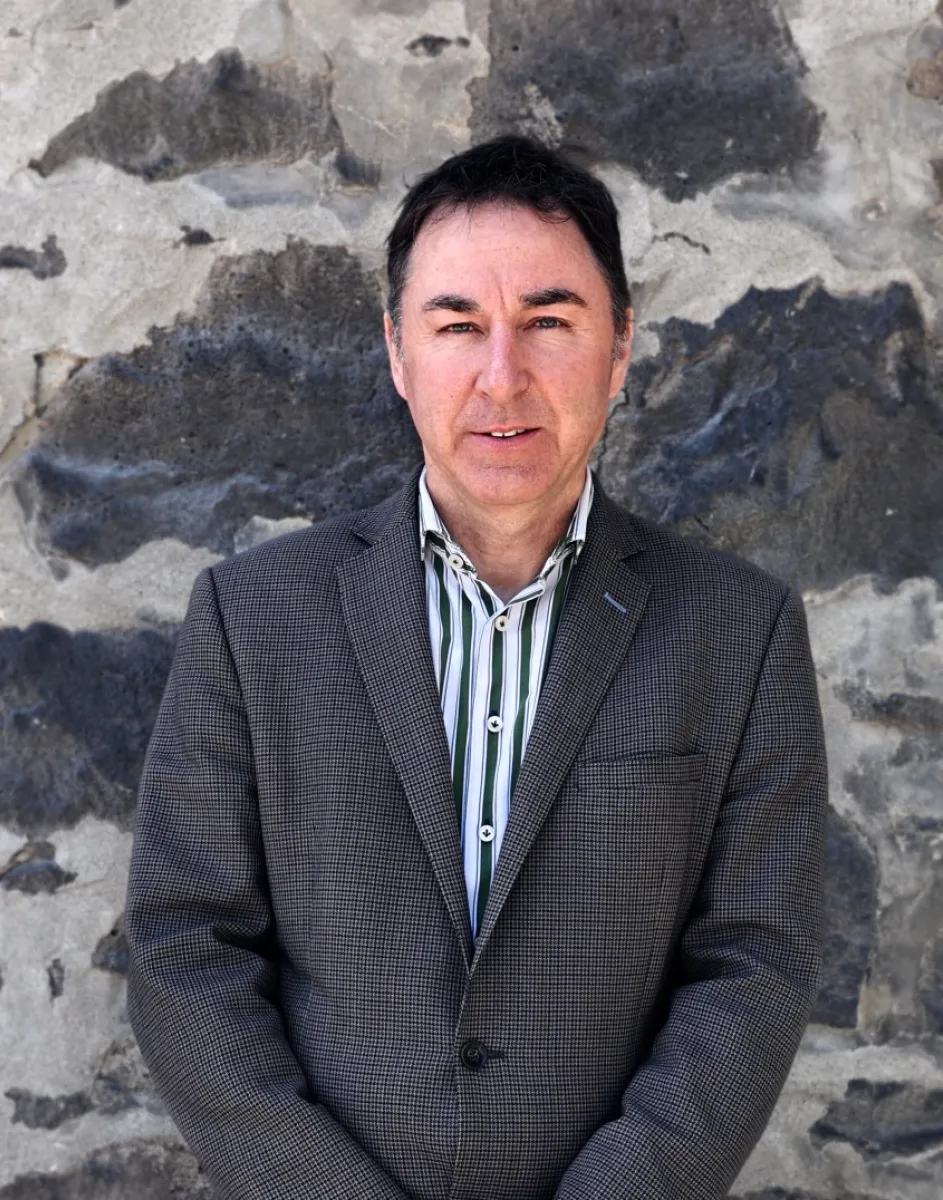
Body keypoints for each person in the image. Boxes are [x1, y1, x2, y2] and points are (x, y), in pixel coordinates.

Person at [125, 135, 828, 1200]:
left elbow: (753, 968)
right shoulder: (252, 617)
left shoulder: (740, 631)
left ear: (620, 349)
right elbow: (184, 948)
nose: (503, 376)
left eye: (549, 322)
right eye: (457, 325)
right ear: (398, 354)